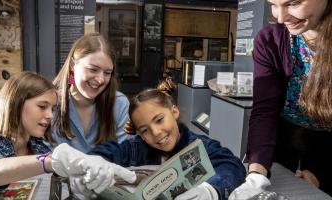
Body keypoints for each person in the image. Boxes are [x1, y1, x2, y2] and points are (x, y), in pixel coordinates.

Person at [71, 77, 246, 200]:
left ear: (174, 112)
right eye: (144, 130)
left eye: (159, 120)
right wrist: (90, 167)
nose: (155, 133)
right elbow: (107, 151)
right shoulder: (135, 148)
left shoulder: (201, 146)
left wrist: (210, 191)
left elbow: (233, 166)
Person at [0, 71, 136, 199]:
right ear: (16, 104)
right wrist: (48, 162)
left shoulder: (42, 147)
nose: (50, 115)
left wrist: (81, 182)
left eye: (52, 108)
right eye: (42, 106)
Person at [229, 0, 332, 199]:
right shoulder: (270, 39)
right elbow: (264, 111)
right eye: (273, 4)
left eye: (293, 3)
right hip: (284, 130)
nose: (280, 17)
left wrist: (323, 176)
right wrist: (256, 175)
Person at [52, 33, 130, 153]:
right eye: (93, 69)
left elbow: (124, 152)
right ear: (73, 66)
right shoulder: (50, 103)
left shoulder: (119, 104)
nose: (100, 79)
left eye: (107, 72)